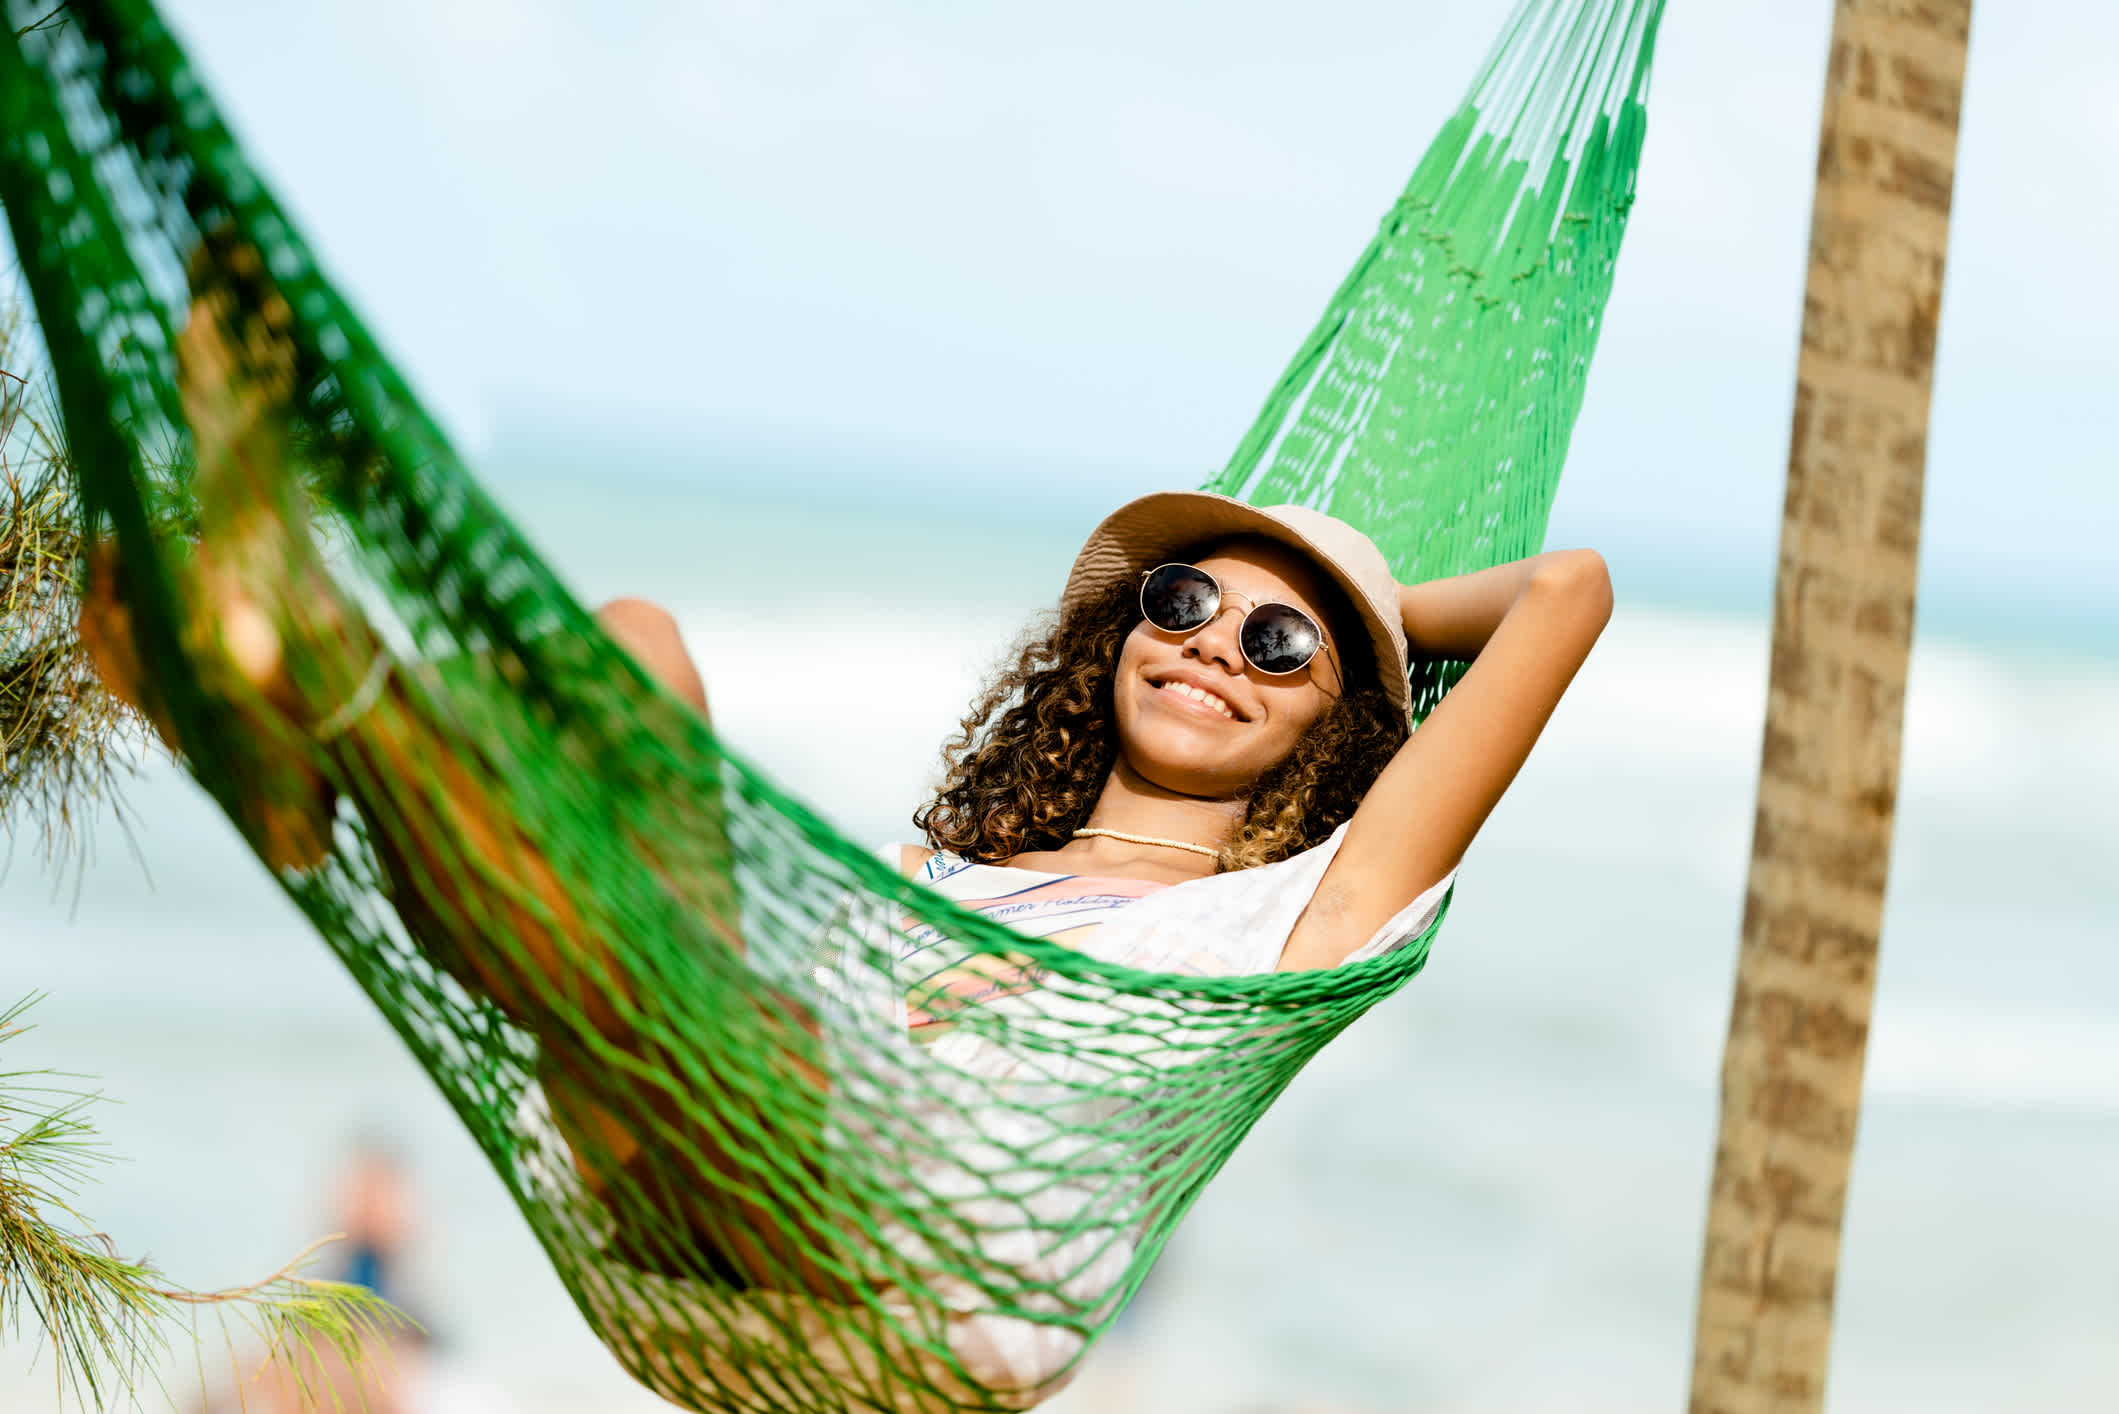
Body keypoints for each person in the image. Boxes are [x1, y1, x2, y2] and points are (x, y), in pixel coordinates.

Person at [85, 283, 1612, 1402]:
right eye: (1184, 603)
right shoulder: (963, 867)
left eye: (1278, 645)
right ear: (1117, 638)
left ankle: (298, 697)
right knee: (639, 648)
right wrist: (1306, 623)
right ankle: (302, 748)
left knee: (708, 993)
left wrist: (1362, 608)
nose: (1217, 644)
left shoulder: (1293, 917)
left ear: (1336, 729)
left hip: (909, 1291)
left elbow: (1565, 596)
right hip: (706, 1159)